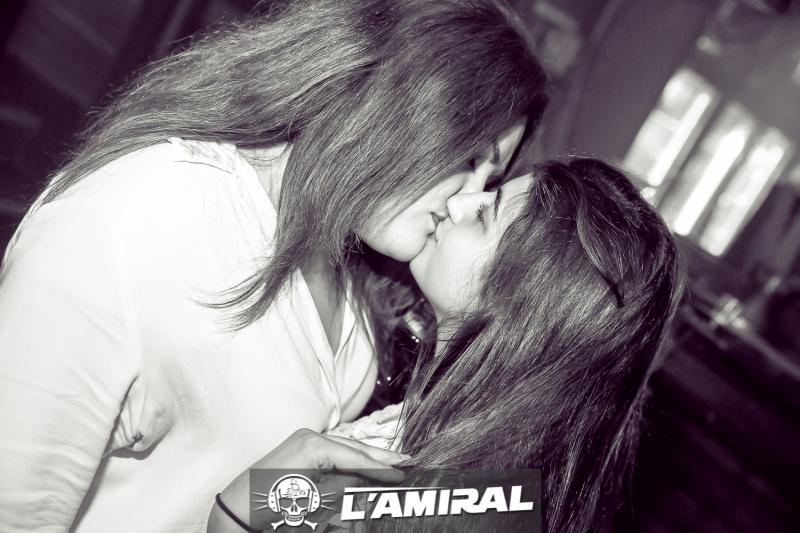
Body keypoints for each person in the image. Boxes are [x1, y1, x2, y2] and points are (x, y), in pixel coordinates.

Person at [0, 0, 549, 531]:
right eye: (469, 157)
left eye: (493, 180)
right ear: (400, 103)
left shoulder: (355, 251)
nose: (467, 200)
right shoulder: (136, 222)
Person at [329, 157, 684, 532]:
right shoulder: (459, 452)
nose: (458, 203)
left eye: (484, 215)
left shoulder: (436, 498)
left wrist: (286, 489)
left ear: (521, 302)